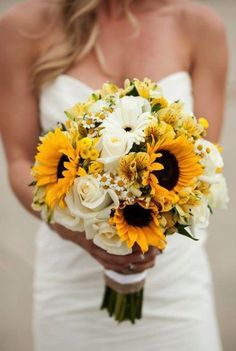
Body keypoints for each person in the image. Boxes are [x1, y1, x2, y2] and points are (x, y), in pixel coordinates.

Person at [0, 0, 228, 350]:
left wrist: (157, 216)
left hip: (174, 285)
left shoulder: (200, 27)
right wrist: (75, 231)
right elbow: (18, 159)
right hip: (71, 286)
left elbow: (204, 163)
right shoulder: (22, 27)